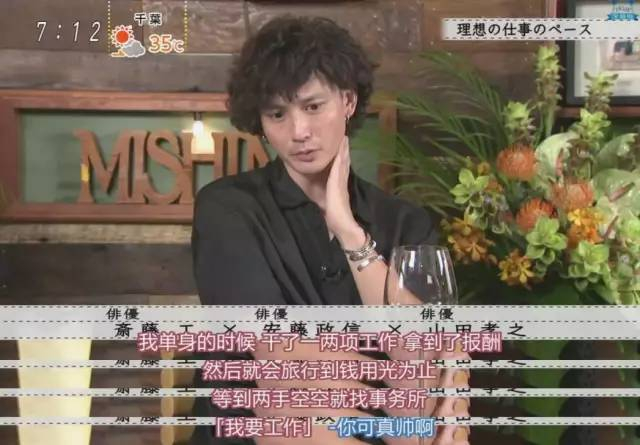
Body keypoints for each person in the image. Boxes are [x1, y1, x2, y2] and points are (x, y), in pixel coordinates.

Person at [190, 15, 470, 445]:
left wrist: (349, 232)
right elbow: (279, 364)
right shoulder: (228, 208)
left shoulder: (404, 221)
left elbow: (424, 356)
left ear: (348, 101)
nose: (299, 132)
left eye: (313, 106)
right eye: (277, 114)